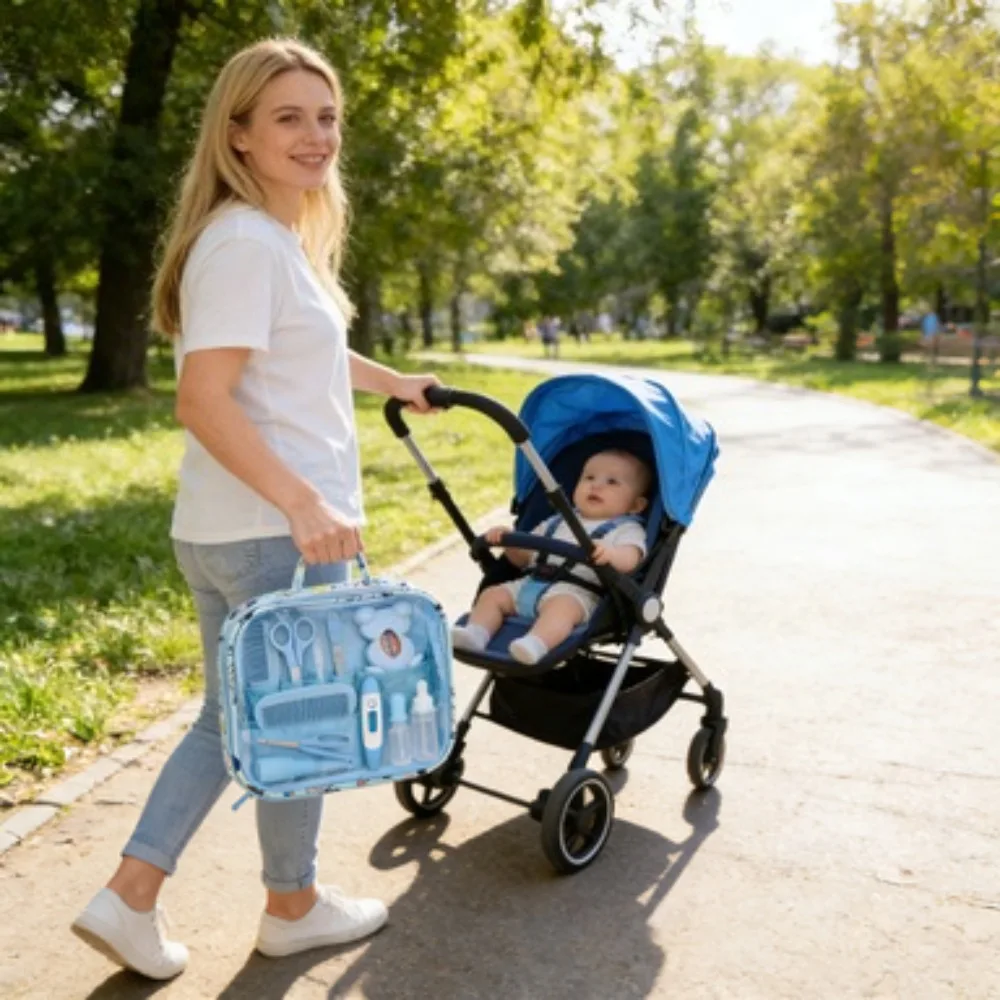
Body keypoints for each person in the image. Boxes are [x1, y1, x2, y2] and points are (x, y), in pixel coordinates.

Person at [70, 39, 440, 980]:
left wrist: (392, 380)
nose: (317, 136)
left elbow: (298, 356)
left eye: (326, 117)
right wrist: (305, 501)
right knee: (295, 725)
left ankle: (254, 901)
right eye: (288, 117)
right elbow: (203, 398)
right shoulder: (242, 241)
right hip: (276, 532)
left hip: (233, 531)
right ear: (237, 134)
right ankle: (237, 900)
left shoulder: (272, 242)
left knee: (242, 723)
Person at [451, 450, 651, 665]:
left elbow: (633, 557)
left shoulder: (627, 529)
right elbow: (523, 558)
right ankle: (476, 633)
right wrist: (510, 542)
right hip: (531, 582)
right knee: (492, 595)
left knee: (561, 610)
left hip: (576, 592)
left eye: (612, 482)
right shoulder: (556, 521)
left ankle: (535, 644)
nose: (596, 485)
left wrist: (611, 554)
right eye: (589, 478)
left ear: (636, 505)